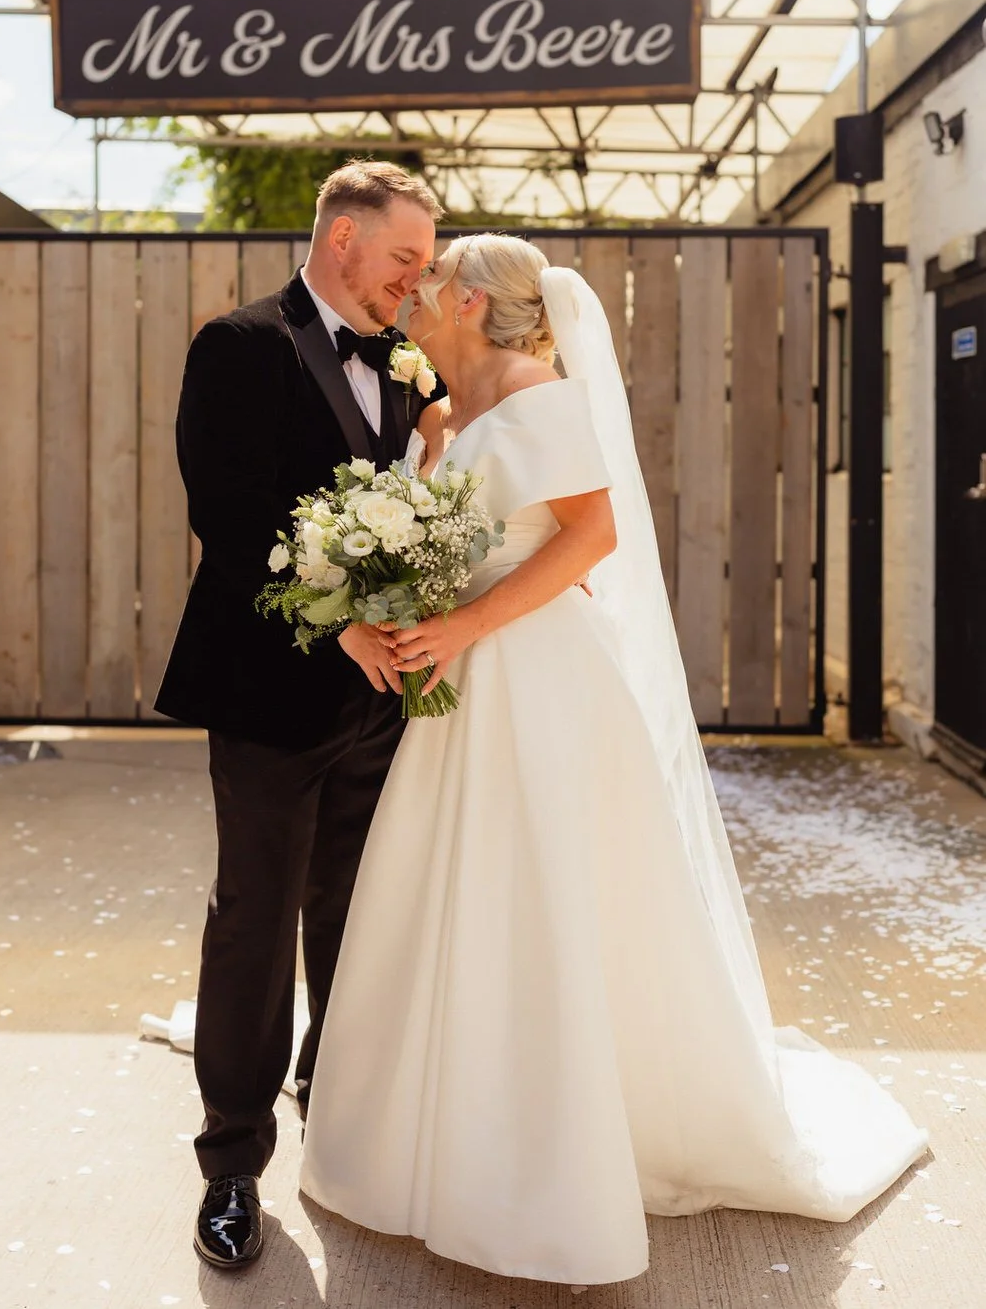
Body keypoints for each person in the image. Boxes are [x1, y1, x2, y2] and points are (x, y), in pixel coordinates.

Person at [298, 234, 928, 1287]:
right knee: (460, 893)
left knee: (544, 892)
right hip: (468, 680)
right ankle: (442, 1128)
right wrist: (405, 609)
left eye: (430, 280)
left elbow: (589, 540)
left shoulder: (540, 393)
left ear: (466, 300)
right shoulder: (450, 411)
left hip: (538, 677)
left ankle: (547, 1158)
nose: (412, 295)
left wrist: (457, 629)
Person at [154, 160, 441, 1269]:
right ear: (341, 243)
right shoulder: (238, 345)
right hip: (269, 696)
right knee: (256, 921)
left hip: (385, 707)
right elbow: (229, 522)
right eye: (403, 260)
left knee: (359, 921)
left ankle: (342, 1117)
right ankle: (232, 1165)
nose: (413, 283)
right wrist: (342, 629)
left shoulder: (408, 362)